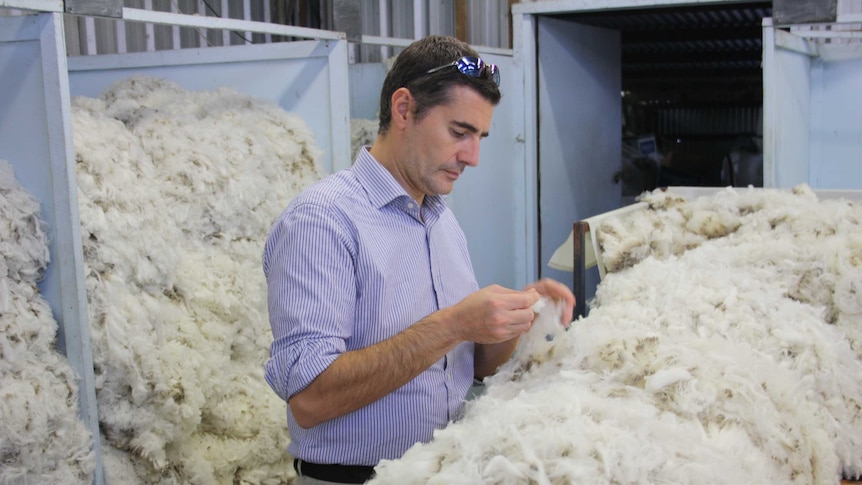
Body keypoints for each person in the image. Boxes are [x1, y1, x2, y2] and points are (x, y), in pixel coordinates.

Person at [262, 35, 575, 485]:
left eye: (480, 137)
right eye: (459, 132)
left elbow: (472, 364)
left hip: (443, 470)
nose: (473, 157)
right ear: (404, 109)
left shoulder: (440, 220)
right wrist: (455, 324)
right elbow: (310, 399)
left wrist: (518, 316)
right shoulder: (323, 221)